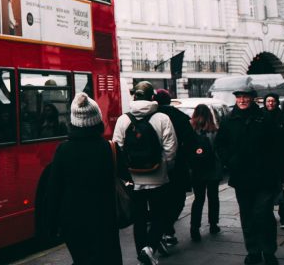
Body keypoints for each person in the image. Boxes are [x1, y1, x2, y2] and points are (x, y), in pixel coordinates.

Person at [46, 92, 129, 265]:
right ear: (97, 120)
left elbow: (54, 190)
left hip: (72, 220)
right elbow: (125, 178)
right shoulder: (109, 149)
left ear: (74, 122)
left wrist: (51, 225)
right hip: (104, 218)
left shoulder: (63, 150)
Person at [113, 81, 177, 265]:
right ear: (152, 97)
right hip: (158, 177)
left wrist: (125, 174)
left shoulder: (123, 119)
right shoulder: (162, 118)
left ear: (134, 97)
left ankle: (142, 255)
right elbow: (171, 149)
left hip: (133, 179)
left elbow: (117, 148)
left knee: (139, 218)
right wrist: (165, 168)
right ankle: (150, 248)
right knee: (159, 215)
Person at [216, 86, 282, 265]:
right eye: (239, 97)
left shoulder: (264, 118)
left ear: (253, 99)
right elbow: (220, 144)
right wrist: (229, 160)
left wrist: (278, 172)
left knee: (264, 214)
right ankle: (253, 251)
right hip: (242, 176)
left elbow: (277, 145)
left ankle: (269, 251)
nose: (242, 100)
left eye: (245, 97)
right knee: (247, 216)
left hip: (264, 176)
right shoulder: (229, 119)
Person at [153, 88, 196, 247]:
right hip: (178, 166)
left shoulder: (150, 117)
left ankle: (163, 230)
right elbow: (191, 142)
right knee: (177, 199)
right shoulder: (180, 117)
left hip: (154, 166)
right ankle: (167, 229)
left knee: (159, 200)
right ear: (169, 101)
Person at [188, 103, 223, 242]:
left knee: (198, 199)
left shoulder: (190, 130)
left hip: (197, 170)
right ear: (209, 114)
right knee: (213, 197)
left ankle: (194, 228)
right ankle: (213, 224)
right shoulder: (214, 130)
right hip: (212, 169)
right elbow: (218, 151)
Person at [263, 93, 284, 230]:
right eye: (268, 101)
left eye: (273, 101)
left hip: (283, 162)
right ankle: (268, 217)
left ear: (276, 102)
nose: (270, 103)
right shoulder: (260, 118)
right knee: (267, 192)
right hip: (266, 163)